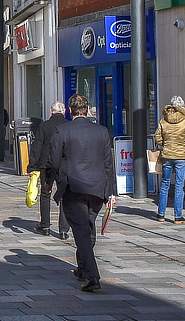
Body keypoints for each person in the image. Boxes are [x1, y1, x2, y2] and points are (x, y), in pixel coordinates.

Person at [48, 94, 113, 293]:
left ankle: (92, 275)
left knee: (82, 231)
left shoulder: (62, 131)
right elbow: (108, 164)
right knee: (88, 227)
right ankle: (83, 267)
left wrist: (49, 183)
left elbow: (53, 162)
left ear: (69, 110)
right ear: (88, 109)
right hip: (97, 188)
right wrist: (110, 192)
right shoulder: (101, 131)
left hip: (73, 187)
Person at [28, 101, 70, 239]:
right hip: (64, 165)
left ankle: (45, 226)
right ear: (64, 111)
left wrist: (32, 166)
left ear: (51, 112)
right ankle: (63, 230)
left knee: (45, 194)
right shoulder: (68, 126)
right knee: (64, 196)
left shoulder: (44, 125)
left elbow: (37, 146)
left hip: (46, 164)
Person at [154, 96, 185, 224]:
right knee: (179, 185)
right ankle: (178, 216)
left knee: (165, 184)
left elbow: (157, 138)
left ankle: (161, 214)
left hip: (167, 155)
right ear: (182, 107)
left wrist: (166, 144)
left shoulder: (163, 120)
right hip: (181, 157)